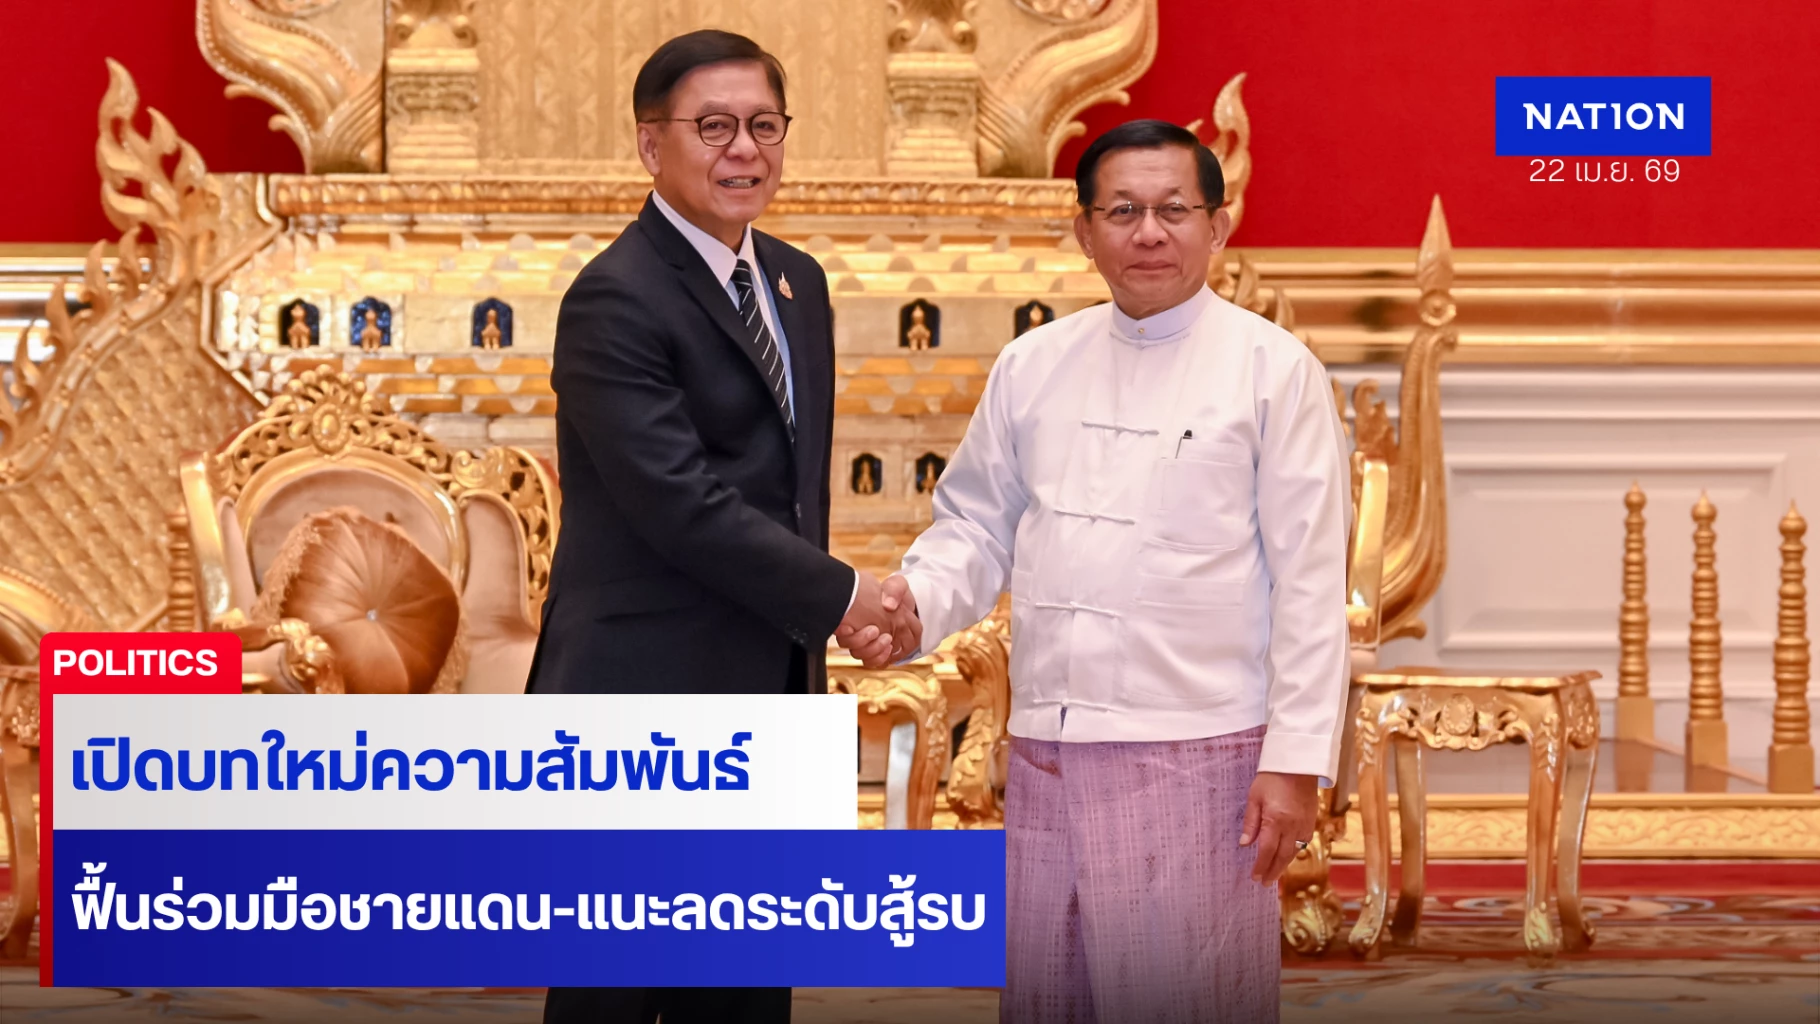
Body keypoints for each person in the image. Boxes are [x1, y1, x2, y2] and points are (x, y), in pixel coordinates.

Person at [880, 119, 1352, 1022]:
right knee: (1049, 996)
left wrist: (1295, 762)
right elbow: (974, 527)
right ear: (1084, 231)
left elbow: (1309, 582)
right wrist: (913, 605)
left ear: (1217, 226)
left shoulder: (1273, 370)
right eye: (1123, 211)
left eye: (1174, 210)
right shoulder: (1032, 364)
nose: (1150, 232)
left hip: (1203, 750)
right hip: (1049, 747)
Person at [525, 29, 910, 1024]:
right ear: (651, 143)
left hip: (767, 685)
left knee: (742, 987)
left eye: (764, 126)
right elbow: (677, 501)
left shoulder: (795, 280)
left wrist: (817, 622)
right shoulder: (614, 296)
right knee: (614, 990)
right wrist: (845, 597)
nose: (745, 149)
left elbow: (790, 493)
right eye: (714, 127)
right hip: (641, 699)